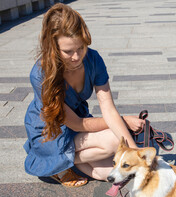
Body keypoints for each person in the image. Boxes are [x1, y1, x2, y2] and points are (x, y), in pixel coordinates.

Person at [23, 3, 144, 187]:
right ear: (53, 47)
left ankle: (61, 164)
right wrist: (125, 121)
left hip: (77, 125)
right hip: (49, 131)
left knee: (110, 173)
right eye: (67, 51)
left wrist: (135, 153)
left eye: (80, 48)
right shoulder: (40, 74)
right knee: (114, 140)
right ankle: (50, 161)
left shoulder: (93, 59)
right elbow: (78, 124)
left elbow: (108, 109)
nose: (76, 57)